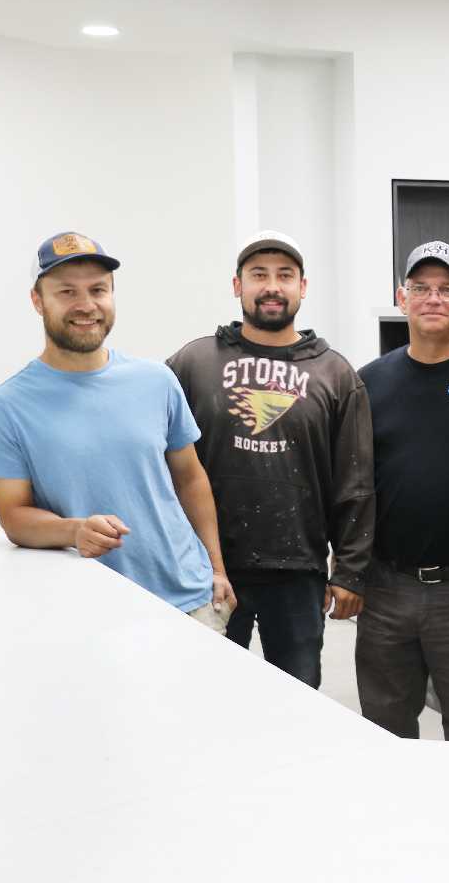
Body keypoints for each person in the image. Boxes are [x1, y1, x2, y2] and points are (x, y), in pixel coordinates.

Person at [0, 233, 235, 630]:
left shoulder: (157, 380)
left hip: (192, 601)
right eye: (67, 291)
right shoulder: (5, 406)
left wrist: (217, 569)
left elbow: (190, 479)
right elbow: (13, 515)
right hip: (91, 612)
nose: (86, 305)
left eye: (98, 290)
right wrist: (74, 530)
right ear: (37, 301)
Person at [167, 230, 374, 687]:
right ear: (237, 285)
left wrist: (350, 571)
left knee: (297, 701)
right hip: (208, 568)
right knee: (206, 696)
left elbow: (355, 479)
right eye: (259, 275)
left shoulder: (335, 373)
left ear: (303, 286)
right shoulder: (193, 363)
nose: (272, 286)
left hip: (298, 570)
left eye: (285, 275)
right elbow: (162, 463)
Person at [357, 241, 449, 741]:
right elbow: (352, 484)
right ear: (402, 298)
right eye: (420, 288)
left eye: (448, 288)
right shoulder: (368, 383)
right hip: (385, 587)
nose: (433, 298)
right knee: (384, 732)